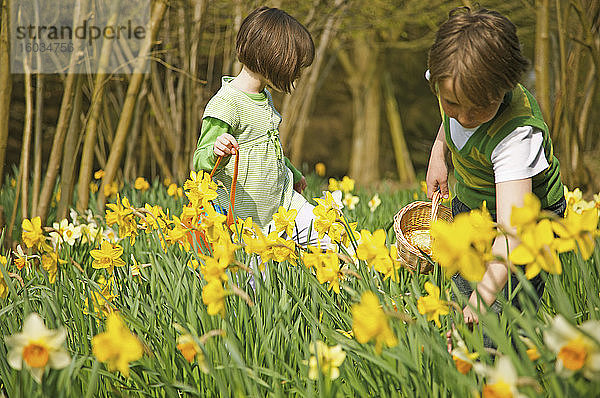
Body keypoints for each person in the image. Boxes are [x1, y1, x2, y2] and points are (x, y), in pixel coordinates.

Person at [424, 7, 566, 347]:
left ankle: (506, 369)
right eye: (452, 104)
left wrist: (482, 297)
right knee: (463, 288)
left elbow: (511, 236)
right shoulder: (450, 77)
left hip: (525, 225)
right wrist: (438, 152)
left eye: (479, 107)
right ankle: (463, 358)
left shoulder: (516, 136)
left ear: (505, 86)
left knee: (508, 314)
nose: (465, 117)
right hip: (475, 205)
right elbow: (452, 121)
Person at [193, 6, 324, 247]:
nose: (296, 74)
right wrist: (216, 150)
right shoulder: (226, 102)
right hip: (245, 218)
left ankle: (358, 280)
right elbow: (200, 159)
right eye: (294, 66)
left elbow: (266, 146)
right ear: (273, 58)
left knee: (330, 239)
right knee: (254, 283)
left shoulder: (264, 97)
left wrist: (292, 173)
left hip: (283, 205)